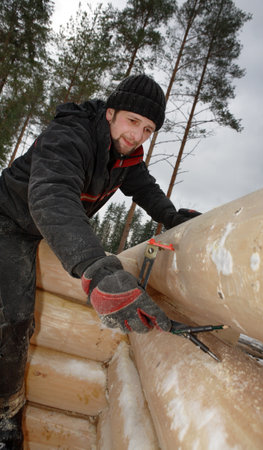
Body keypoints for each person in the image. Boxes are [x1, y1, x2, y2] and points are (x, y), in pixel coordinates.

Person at [0, 74, 200, 447]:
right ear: (110, 112)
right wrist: (96, 268)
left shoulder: (125, 155)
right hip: (8, 221)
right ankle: (4, 414)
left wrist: (171, 217)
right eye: (132, 122)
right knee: (14, 317)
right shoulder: (70, 135)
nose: (137, 135)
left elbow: (143, 186)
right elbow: (52, 195)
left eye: (148, 129)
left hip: (45, 229)